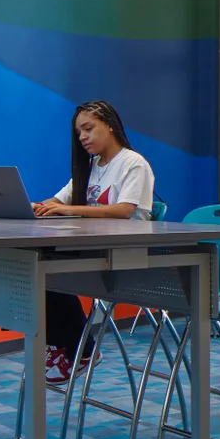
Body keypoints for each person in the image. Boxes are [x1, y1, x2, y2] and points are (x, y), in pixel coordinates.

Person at [30, 100, 155, 381]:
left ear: (109, 125)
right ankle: (68, 345)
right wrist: (38, 206)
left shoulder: (133, 164)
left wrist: (69, 209)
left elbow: (125, 210)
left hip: (123, 254)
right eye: (79, 133)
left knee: (46, 269)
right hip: (88, 248)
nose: (83, 137)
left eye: (88, 129)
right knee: (35, 263)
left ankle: (81, 349)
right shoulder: (90, 166)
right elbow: (58, 200)